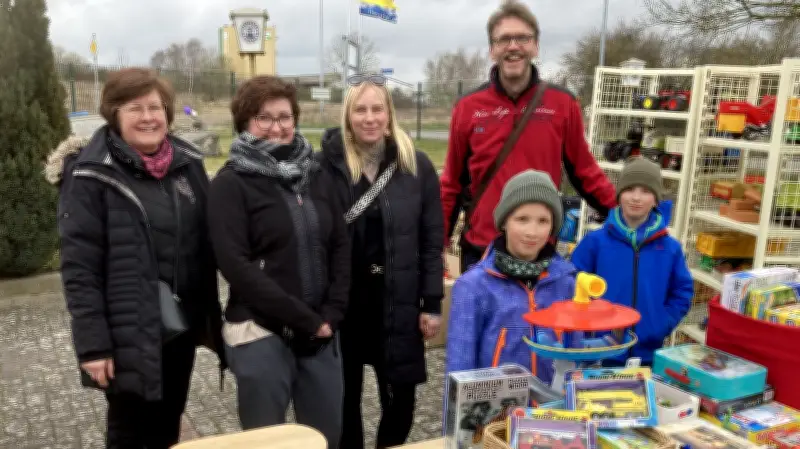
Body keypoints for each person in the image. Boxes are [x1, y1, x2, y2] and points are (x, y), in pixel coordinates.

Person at [46, 67, 224, 448]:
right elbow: (80, 269)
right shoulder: (91, 175)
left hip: (180, 326)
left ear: (168, 113)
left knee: (168, 423)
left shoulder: (187, 163)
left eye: (155, 107)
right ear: (114, 115)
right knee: (129, 431)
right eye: (134, 108)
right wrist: (93, 345)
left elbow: (212, 237)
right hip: (127, 331)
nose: (148, 117)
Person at [206, 75, 350, 446]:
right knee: (266, 440)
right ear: (245, 123)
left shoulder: (316, 175)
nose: (277, 127)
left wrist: (332, 312)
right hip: (261, 330)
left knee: (326, 436)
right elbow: (235, 266)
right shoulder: (230, 184)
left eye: (285, 117)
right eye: (264, 118)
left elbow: (340, 245)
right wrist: (305, 319)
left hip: (321, 330)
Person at [440, 0, 617, 274]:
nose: (513, 46)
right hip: (482, 251)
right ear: (492, 50)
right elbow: (451, 182)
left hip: (538, 250)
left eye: (522, 38)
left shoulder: (562, 105)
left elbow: (584, 171)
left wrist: (624, 214)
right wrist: (437, 244)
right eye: (504, 39)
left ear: (535, 46)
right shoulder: (468, 108)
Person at [318, 73, 444, 449]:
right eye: (360, 109)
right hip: (347, 304)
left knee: (402, 400)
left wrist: (432, 303)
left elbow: (431, 239)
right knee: (344, 399)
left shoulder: (415, 166)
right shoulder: (325, 166)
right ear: (347, 114)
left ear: (389, 113)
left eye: (377, 108)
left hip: (399, 302)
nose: (369, 118)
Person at [445, 170, 576, 386]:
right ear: (504, 221)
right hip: (498, 414)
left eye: (543, 221)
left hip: (554, 412)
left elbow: (576, 354)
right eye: (522, 219)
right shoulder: (473, 286)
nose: (532, 232)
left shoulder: (567, 282)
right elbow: (459, 368)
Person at [570, 157, 693, 367]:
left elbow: (682, 291)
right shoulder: (595, 242)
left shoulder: (670, 248)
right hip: (601, 351)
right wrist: (589, 326)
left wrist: (660, 323)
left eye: (645, 191)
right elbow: (571, 284)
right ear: (619, 196)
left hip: (647, 355)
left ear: (656, 200)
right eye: (630, 189)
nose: (636, 198)